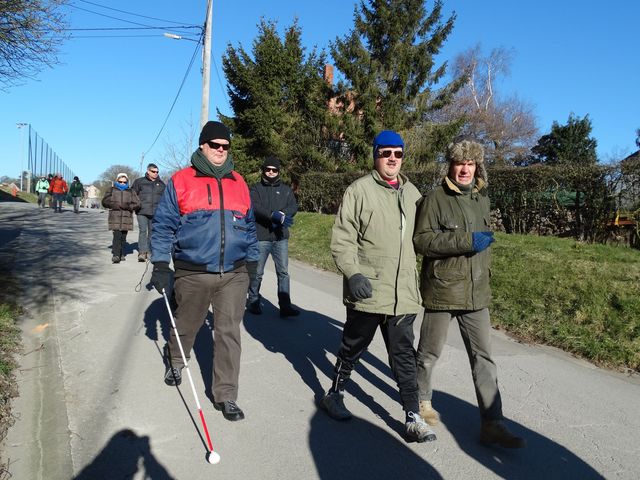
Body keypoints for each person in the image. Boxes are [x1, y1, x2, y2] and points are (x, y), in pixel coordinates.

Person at [319, 130, 436, 443]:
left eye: (397, 154)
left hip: (403, 295)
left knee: (403, 357)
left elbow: (425, 238)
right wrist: (353, 274)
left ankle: (413, 417)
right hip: (368, 291)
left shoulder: (413, 194)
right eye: (386, 153)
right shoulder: (359, 191)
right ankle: (335, 394)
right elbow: (342, 239)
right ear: (375, 155)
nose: (392, 160)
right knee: (353, 346)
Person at [413, 139, 526, 449]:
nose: (464, 169)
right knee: (427, 355)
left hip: (477, 294)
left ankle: (492, 423)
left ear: (478, 167)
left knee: (484, 359)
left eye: (471, 164)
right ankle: (421, 403)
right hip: (443, 289)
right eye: (459, 163)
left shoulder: (481, 200)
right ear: (450, 165)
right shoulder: (434, 199)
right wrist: (466, 241)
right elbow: (421, 242)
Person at [150, 120, 259, 422]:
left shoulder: (239, 182)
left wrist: (251, 265)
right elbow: (163, 226)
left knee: (228, 333)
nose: (221, 151)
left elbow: (249, 228)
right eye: (215, 145)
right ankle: (175, 359)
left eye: (225, 146)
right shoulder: (181, 181)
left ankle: (226, 395)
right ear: (203, 146)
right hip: (193, 270)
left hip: (234, 274)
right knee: (187, 325)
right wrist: (160, 264)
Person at [246, 157, 300, 317]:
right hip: (262, 236)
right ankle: (253, 300)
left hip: (280, 237)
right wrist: (272, 216)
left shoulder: (285, 189)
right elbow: (254, 206)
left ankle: (285, 306)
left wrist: (283, 214)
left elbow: (293, 206)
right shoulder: (256, 188)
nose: (271, 172)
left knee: (283, 272)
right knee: (258, 272)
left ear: (278, 171)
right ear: (263, 170)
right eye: (268, 169)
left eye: (274, 170)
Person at [101, 173, 141, 263]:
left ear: (127, 181)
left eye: (124, 182)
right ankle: (116, 255)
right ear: (117, 181)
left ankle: (122, 253)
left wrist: (129, 206)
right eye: (120, 181)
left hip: (127, 217)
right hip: (115, 216)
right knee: (117, 235)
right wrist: (114, 204)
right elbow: (104, 201)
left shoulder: (131, 191)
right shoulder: (111, 190)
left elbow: (138, 203)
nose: (122, 183)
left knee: (123, 237)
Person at [132, 163, 166, 262]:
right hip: (142, 211)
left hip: (156, 212)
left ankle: (150, 251)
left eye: (157, 172)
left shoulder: (161, 184)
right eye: (153, 171)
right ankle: (142, 252)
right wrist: (135, 205)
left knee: (152, 232)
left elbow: (165, 199)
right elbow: (132, 194)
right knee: (143, 231)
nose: (155, 173)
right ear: (148, 171)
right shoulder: (139, 182)